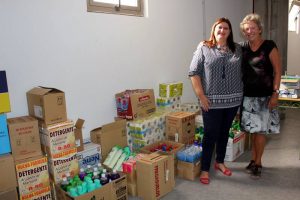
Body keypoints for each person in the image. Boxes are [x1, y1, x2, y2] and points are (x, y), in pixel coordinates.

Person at [188, 17, 243, 184]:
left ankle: (220, 162)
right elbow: (194, 73)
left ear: (230, 31)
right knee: (210, 134)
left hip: (233, 101)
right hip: (211, 102)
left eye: (226, 28)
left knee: (224, 132)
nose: (222, 31)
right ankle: (205, 169)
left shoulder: (238, 49)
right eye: (219, 27)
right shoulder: (204, 48)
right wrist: (201, 96)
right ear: (214, 30)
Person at [239, 13, 281, 179]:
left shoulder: (269, 46)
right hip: (248, 96)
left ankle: (258, 162)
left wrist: (275, 93)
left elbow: (277, 71)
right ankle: (253, 160)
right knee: (252, 130)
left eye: (253, 28)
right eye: (247, 29)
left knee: (260, 132)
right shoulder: (243, 47)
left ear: (260, 29)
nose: (250, 31)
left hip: (265, 96)